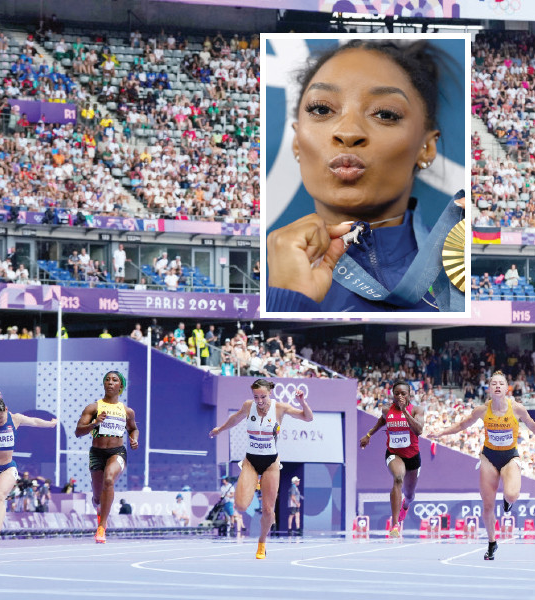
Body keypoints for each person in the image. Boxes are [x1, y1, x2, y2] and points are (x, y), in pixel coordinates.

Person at [265, 39, 465, 313]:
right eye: (322, 109)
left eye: (385, 114)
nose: (348, 133)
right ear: (297, 142)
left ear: (426, 148)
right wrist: (284, 301)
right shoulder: (256, 275)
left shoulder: (461, 270)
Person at [431, 371, 535, 560]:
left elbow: (531, 424)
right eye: (493, 383)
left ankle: (507, 502)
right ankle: (492, 543)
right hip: (488, 457)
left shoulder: (517, 408)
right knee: (487, 505)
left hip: (510, 456)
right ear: (489, 388)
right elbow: (462, 425)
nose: (497, 386)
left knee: (512, 495)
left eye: (500, 383)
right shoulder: (482, 410)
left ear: (506, 388)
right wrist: (441, 433)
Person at [209, 379, 313, 559]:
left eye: (263, 396)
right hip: (251, 460)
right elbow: (235, 418)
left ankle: (262, 542)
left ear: (269, 394)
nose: (259, 400)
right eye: (256, 396)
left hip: (271, 463)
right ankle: (256, 482)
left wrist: (302, 401)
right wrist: (220, 429)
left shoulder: (280, 408)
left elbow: (308, 417)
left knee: (267, 509)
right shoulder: (248, 406)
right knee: (240, 505)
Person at [0, 391, 57, 549]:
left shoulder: (15, 419)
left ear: (6, 410)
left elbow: (34, 421)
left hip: (7, 467)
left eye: (0, 417)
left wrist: (50, 424)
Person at [75, 371, 140, 544]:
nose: (110, 382)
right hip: (97, 453)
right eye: (107, 380)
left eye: (115, 380)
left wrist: (134, 439)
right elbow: (78, 432)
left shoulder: (127, 411)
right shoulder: (93, 408)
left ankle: (102, 528)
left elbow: (133, 429)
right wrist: (94, 424)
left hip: (117, 452)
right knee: (97, 497)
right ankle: (99, 506)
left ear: (121, 386)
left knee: (109, 479)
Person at [359, 380, 424, 537]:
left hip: (413, 457)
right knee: (398, 478)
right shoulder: (387, 409)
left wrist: (404, 412)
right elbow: (383, 420)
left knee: (409, 495)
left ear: (409, 395)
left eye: (403, 393)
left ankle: (406, 505)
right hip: (394, 453)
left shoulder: (416, 410)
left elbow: (419, 430)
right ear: (392, 395)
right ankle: (395, 524)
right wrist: (368, 435)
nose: (400, 396)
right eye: (397, 393)